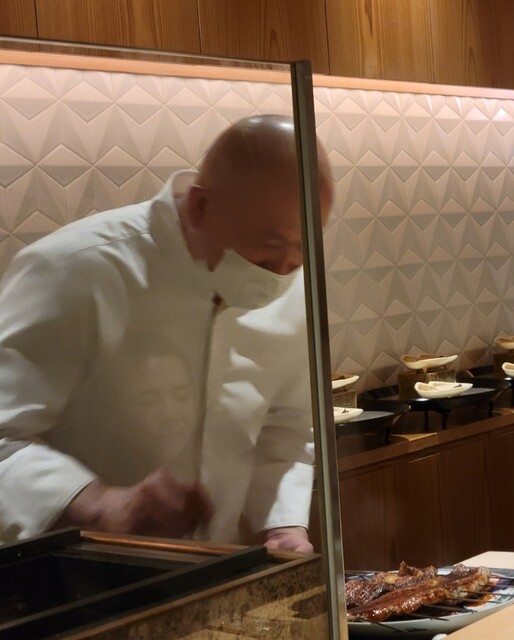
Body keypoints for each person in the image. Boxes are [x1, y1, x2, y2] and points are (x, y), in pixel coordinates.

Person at [0, 114, 334, 552]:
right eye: (266, 254)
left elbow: (285, 426)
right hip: (78, 572)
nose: (282, 274)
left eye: (301, 252)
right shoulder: (74, 268)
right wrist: (96, 502)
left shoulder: (289, 277)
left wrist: (282, 525)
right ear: (200, 207)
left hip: (222, 569)